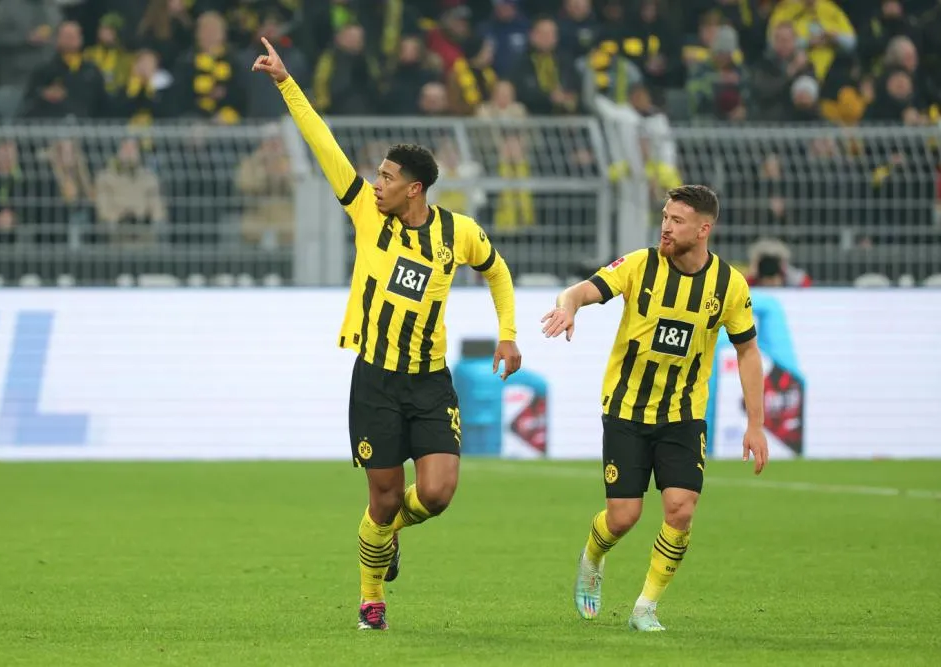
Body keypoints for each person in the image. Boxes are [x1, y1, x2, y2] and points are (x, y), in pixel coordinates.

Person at [252, 37, 522, 631]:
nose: (375, 183)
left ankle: (382, 535)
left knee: (437, 494)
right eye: (377, 174)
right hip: (375, 380)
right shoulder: (365, 214)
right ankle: (371, 597)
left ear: (414, 189)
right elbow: (324, 145)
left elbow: (498, 271)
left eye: (386, 177)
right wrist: (286, 83)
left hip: (429, 381)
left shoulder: (458, 233)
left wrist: (507, 333)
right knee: (384, 495)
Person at [540, 185, 769, 632]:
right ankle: (593, 556)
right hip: (626, 410)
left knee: (681, 509)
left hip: (684, 415)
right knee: (623, 517)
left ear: (703, 230)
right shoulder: (639, 265)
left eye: (677, 220)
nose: (665, 226)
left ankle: (645, 607)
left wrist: (755, 424)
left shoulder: (730, 285)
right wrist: (568, 308)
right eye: (664, 216)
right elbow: (580, 290)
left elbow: (747, 351)